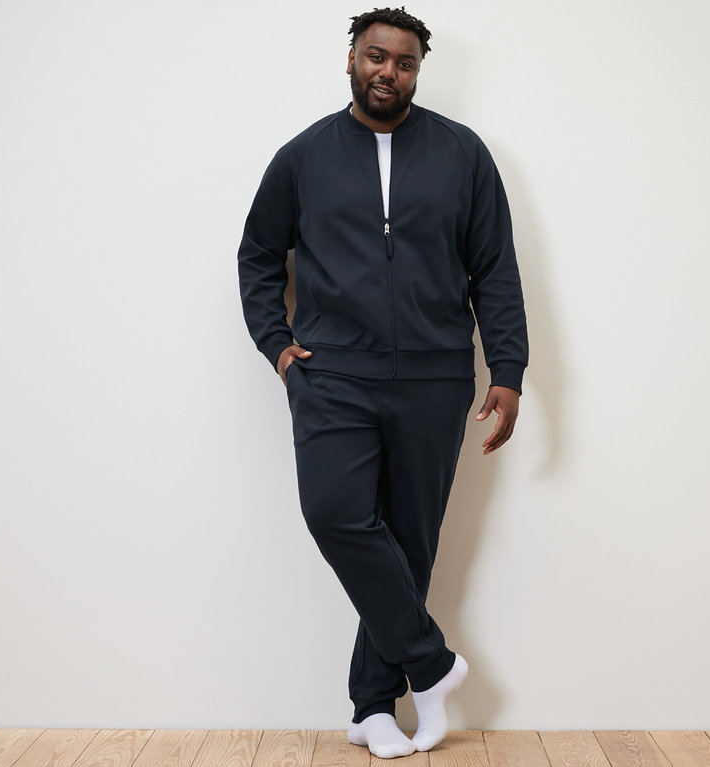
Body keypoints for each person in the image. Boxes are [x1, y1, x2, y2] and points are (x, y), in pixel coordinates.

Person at [237, 7, 528, 759]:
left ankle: (373, 707)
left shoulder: (463, 155)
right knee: (336, 513)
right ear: (351, 60)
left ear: (417, 71)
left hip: (433, 378)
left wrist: (509, 368)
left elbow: (494, 268)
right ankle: (431, 665)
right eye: (375, 56)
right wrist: (277, 344)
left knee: (409, 543)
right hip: (333, 374)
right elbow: (258, 257)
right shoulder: (302, 158)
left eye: (403, 61)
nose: (387, 71)